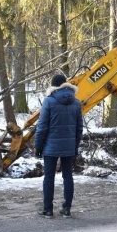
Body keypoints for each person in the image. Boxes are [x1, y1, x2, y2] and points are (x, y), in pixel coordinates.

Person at [34, 73, 84, 218]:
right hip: (69, 146)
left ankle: (48, 210)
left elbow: (42, 127)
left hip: (51, 147)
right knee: (68, 176)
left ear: (53, 86)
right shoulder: (76, 103)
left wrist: (38, 146)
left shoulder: (49, 101)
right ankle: (67, 208)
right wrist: (75, 146)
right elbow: (79, 128)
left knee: (49, 177)